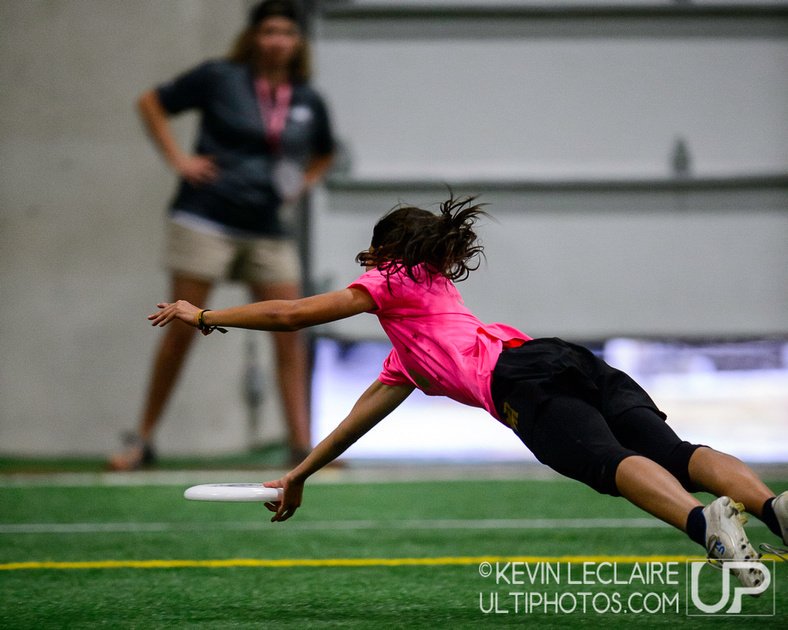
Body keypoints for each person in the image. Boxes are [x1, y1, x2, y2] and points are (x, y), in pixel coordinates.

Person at [148, 194, 787, 586]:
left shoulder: (391, 281)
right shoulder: (423, 325)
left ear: (379, 254)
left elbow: (291, 315)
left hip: (516, 381)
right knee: (673, 452)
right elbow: (362, 414)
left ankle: (706, 526)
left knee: (608, 462)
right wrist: (302, 473)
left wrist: (203, 315)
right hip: (557, 355)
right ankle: (771, 509)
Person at [109, 0, 335, 471]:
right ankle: (143, 440)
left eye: (287, 33)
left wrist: (305, 182)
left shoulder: (307, 98)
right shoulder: (219, 77)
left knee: (289, 330)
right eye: (269, 30)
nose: (277, 40)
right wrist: (179, 161)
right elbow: (152, 102)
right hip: (204, 219)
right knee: (181, 327)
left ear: (298, 43)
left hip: (268, 228)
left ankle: (301, 446)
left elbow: (326, 152)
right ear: (253, 36)